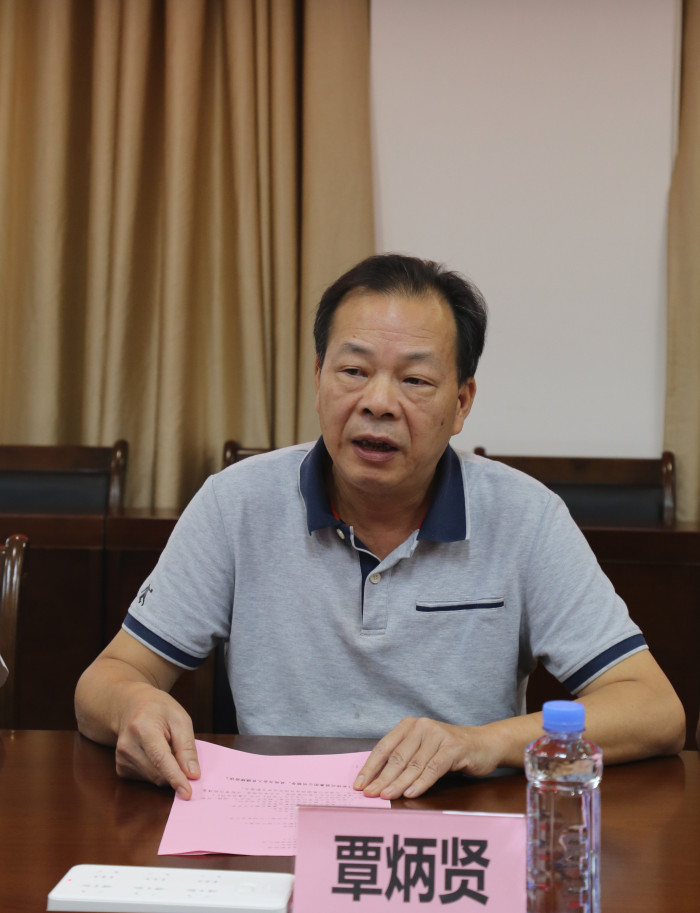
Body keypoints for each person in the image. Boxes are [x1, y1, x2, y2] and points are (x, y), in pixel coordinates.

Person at [75, 253, 685, 801]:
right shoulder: (236, 503)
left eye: (415, 380)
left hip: (455, 830)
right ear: (318, 379)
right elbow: (106, 680)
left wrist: (484, 742)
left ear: (462, 403)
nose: (378, 402)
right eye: (354, 371)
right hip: (278, 822)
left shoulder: (525, 517)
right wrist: (136, 704)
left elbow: (654, 709)